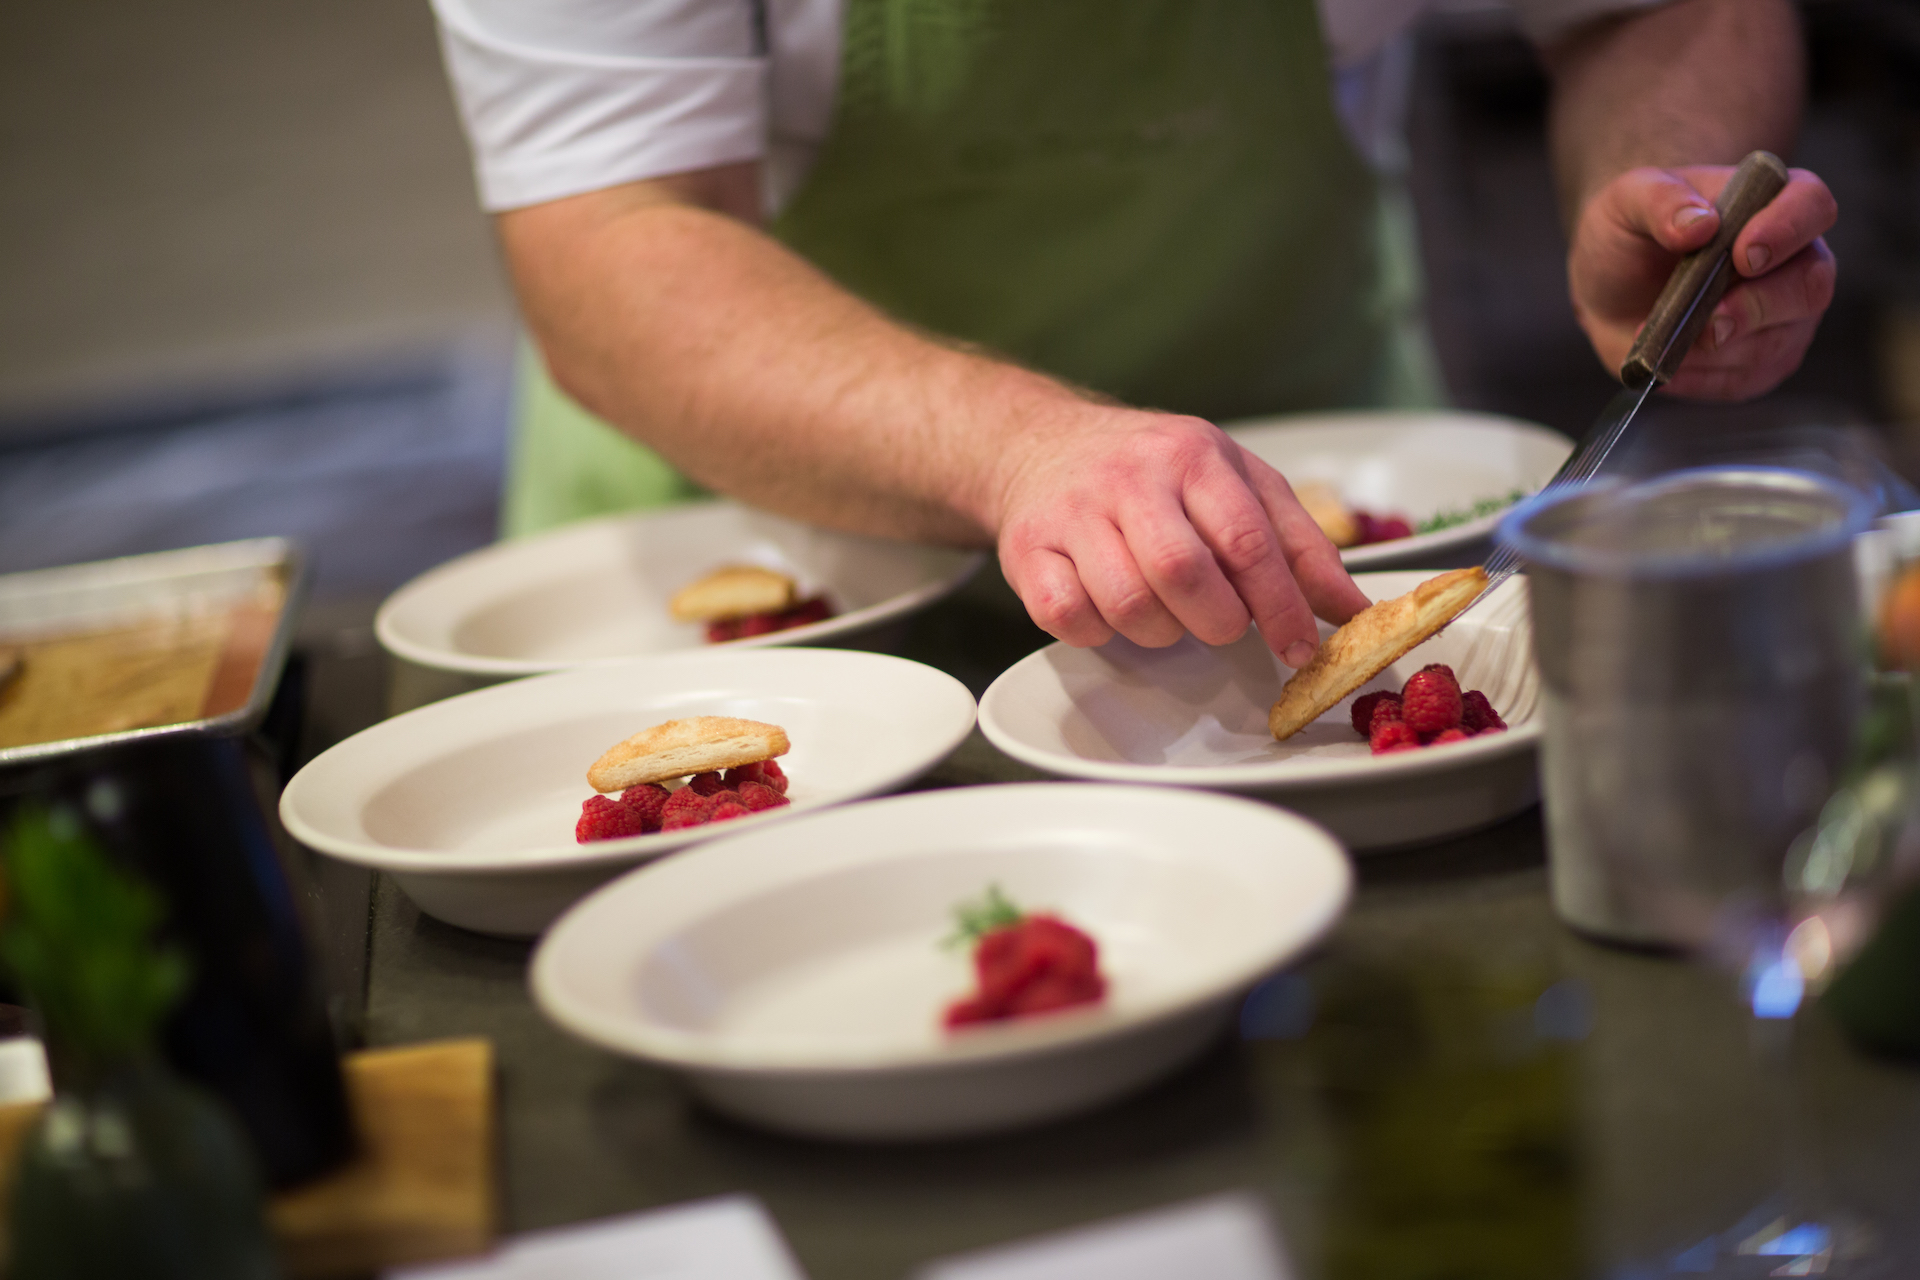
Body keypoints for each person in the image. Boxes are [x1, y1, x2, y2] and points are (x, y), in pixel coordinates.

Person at [431, 0, 1837, 667]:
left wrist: (1674, 181)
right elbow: (615, 238)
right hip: (778, 580)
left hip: (1323, 555)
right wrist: (1018, 446)